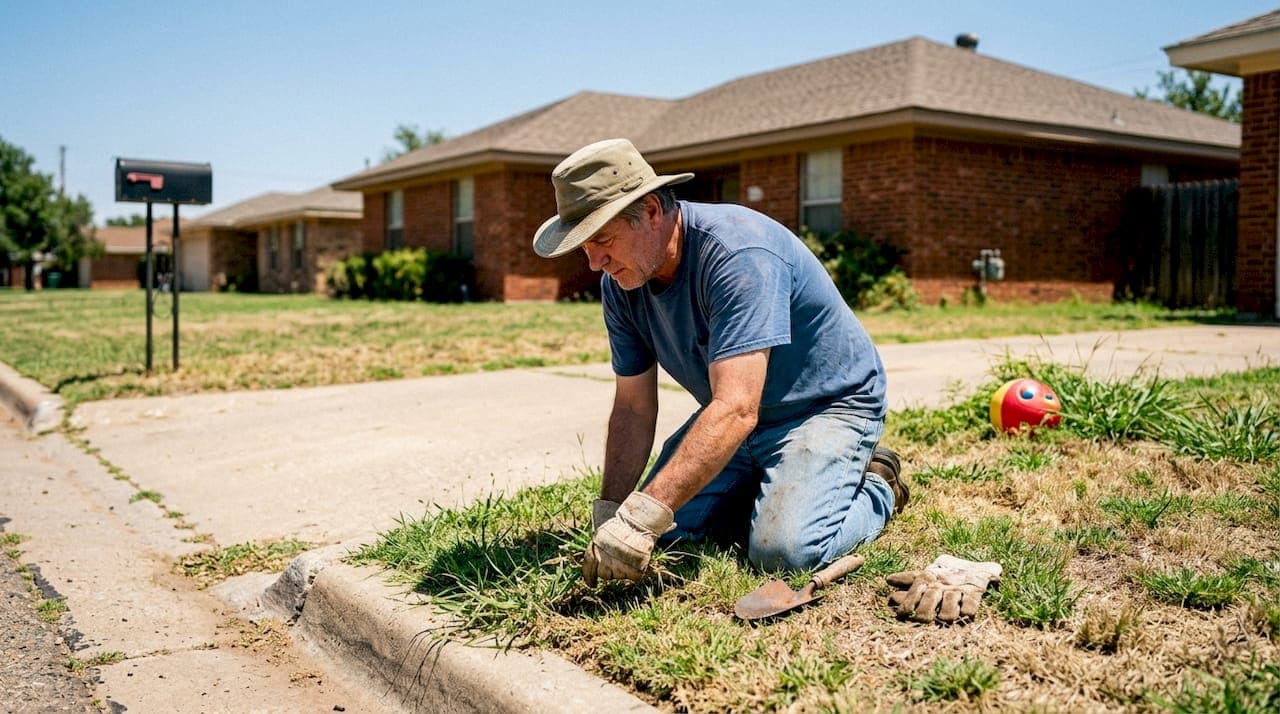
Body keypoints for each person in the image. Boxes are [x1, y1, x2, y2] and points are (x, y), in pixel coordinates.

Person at [532, 138, 908, 585]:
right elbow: (633, 408)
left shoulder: (739, 255)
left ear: (651, 211)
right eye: (584, 247)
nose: (595, 263)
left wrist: (640, 520)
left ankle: (880, 484)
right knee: (670, 536)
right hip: (740, 417)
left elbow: (735, 407)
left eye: (603, 239)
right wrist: (612, 517)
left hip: (824, 408)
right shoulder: (622, 284)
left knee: (783, 553)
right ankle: (769, 484)